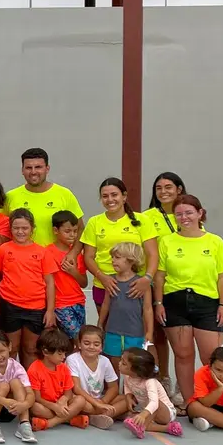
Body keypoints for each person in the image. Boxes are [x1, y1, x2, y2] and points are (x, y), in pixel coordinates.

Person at [153, 194, 223, 404]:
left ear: (200, 213)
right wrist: (159, 303)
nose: (184, 217)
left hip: (207, 304)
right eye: (179, 214)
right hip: (175, 303)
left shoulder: (215, 242)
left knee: (211, 357)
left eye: (189, 212)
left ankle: (216, 401)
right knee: (182, 355)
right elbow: (160, 275)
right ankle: (190, 402)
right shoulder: (167, 241)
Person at [81, 178, 157, 321]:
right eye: (105, 196)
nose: (110, 199)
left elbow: (152, 254)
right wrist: (103, 278)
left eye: (114, 195)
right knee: (109, 329)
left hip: (135, 286)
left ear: (124, 196)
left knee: (135, 332)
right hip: (104, 285)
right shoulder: (94, 222)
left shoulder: (142, 220)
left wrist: (147, 278)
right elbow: (88, 257)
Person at [0, 209, 55, 369]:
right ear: (11, 229)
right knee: (10, 349)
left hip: (36, 308)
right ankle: (11, 387)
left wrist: (50, 310)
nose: (20, 232)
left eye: (24, 228)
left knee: (31, 349)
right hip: (10, 306)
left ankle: (30, 387)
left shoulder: (42, 252)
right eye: (16, 228)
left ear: (32, 228)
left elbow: (50, 282)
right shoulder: (3, 250)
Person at [143, 171, 186, 399]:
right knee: (157, 335)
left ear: (179, 189)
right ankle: (164, 378)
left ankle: (184, 382)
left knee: (181, 338)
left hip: (181, 283)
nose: (163, 192)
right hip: (155, 283)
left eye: (168, 187)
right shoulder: (147, 217)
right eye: (159, 188)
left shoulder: (186, 213)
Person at [2, 147, 84, 249]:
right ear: (22, 170)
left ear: (47, 168)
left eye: (38, 167)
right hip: (23, 262)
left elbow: (80, 229)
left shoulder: (64, 194)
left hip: (56, 262)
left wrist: (73, 254)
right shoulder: (11, 196)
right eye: (28, 168)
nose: (33, 172)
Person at [100, 242, 152, 375]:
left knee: (133, 365)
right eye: (112, 257)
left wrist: (149, 331)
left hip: (134, 332)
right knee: (114, 365)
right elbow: (106, 304)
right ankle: (114, 392)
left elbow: (147, 309)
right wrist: (100, 323)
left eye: (117, 257)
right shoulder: (110, 280)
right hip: (113, 330)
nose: (112, 260)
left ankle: (129, 393)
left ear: (131, 260)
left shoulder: (142, 283)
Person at [26, 328, 89, 431]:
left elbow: (68, 393)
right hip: (45, 405)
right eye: (60, 354)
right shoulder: (34, 369)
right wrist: (55, 407)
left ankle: (49, 423)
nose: (64, 357)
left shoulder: (63, 367)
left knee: (80, 400)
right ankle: (70, 419)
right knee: (35, 408)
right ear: (45, 352)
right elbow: (36, 398)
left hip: (61, 404)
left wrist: (62, 401)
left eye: (64, 353)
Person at [67, 325, 128, 429]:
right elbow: (76, 388)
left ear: (101, 347)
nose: (91, 347)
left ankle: (97, 416)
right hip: (83, 400)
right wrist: (97, 404)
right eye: (87, 343)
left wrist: (103, 402)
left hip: (99, 399)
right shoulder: (72, 359)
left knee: (128, 398)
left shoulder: (105, 361)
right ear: (79, 344)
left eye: (96, 344)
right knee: (80, 402)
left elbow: (113, 387)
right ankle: (106, 414)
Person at [119, 346, 183, 439]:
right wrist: (128, 396)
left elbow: (154, 403)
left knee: (154, 402)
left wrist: (143, 414)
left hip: (166, 413)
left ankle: (142, 427)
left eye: (123, 363)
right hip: (148, 410)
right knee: (129, 417)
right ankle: (167, 428)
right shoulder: (128, 376)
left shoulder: (150, 381)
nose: (119, 364)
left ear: (136, 371)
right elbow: (127, 386)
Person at [47, 211, 88, 341]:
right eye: (68, 231)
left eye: (75, 231)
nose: (72, 235)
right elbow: (47, 283)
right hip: (60, 305)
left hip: (79, 303)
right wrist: (50, 309)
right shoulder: (47, 252)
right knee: (79, 340)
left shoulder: (77, 254)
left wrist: (73, 272)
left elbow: (84, 283)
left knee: (76, 341)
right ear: (55, 230)